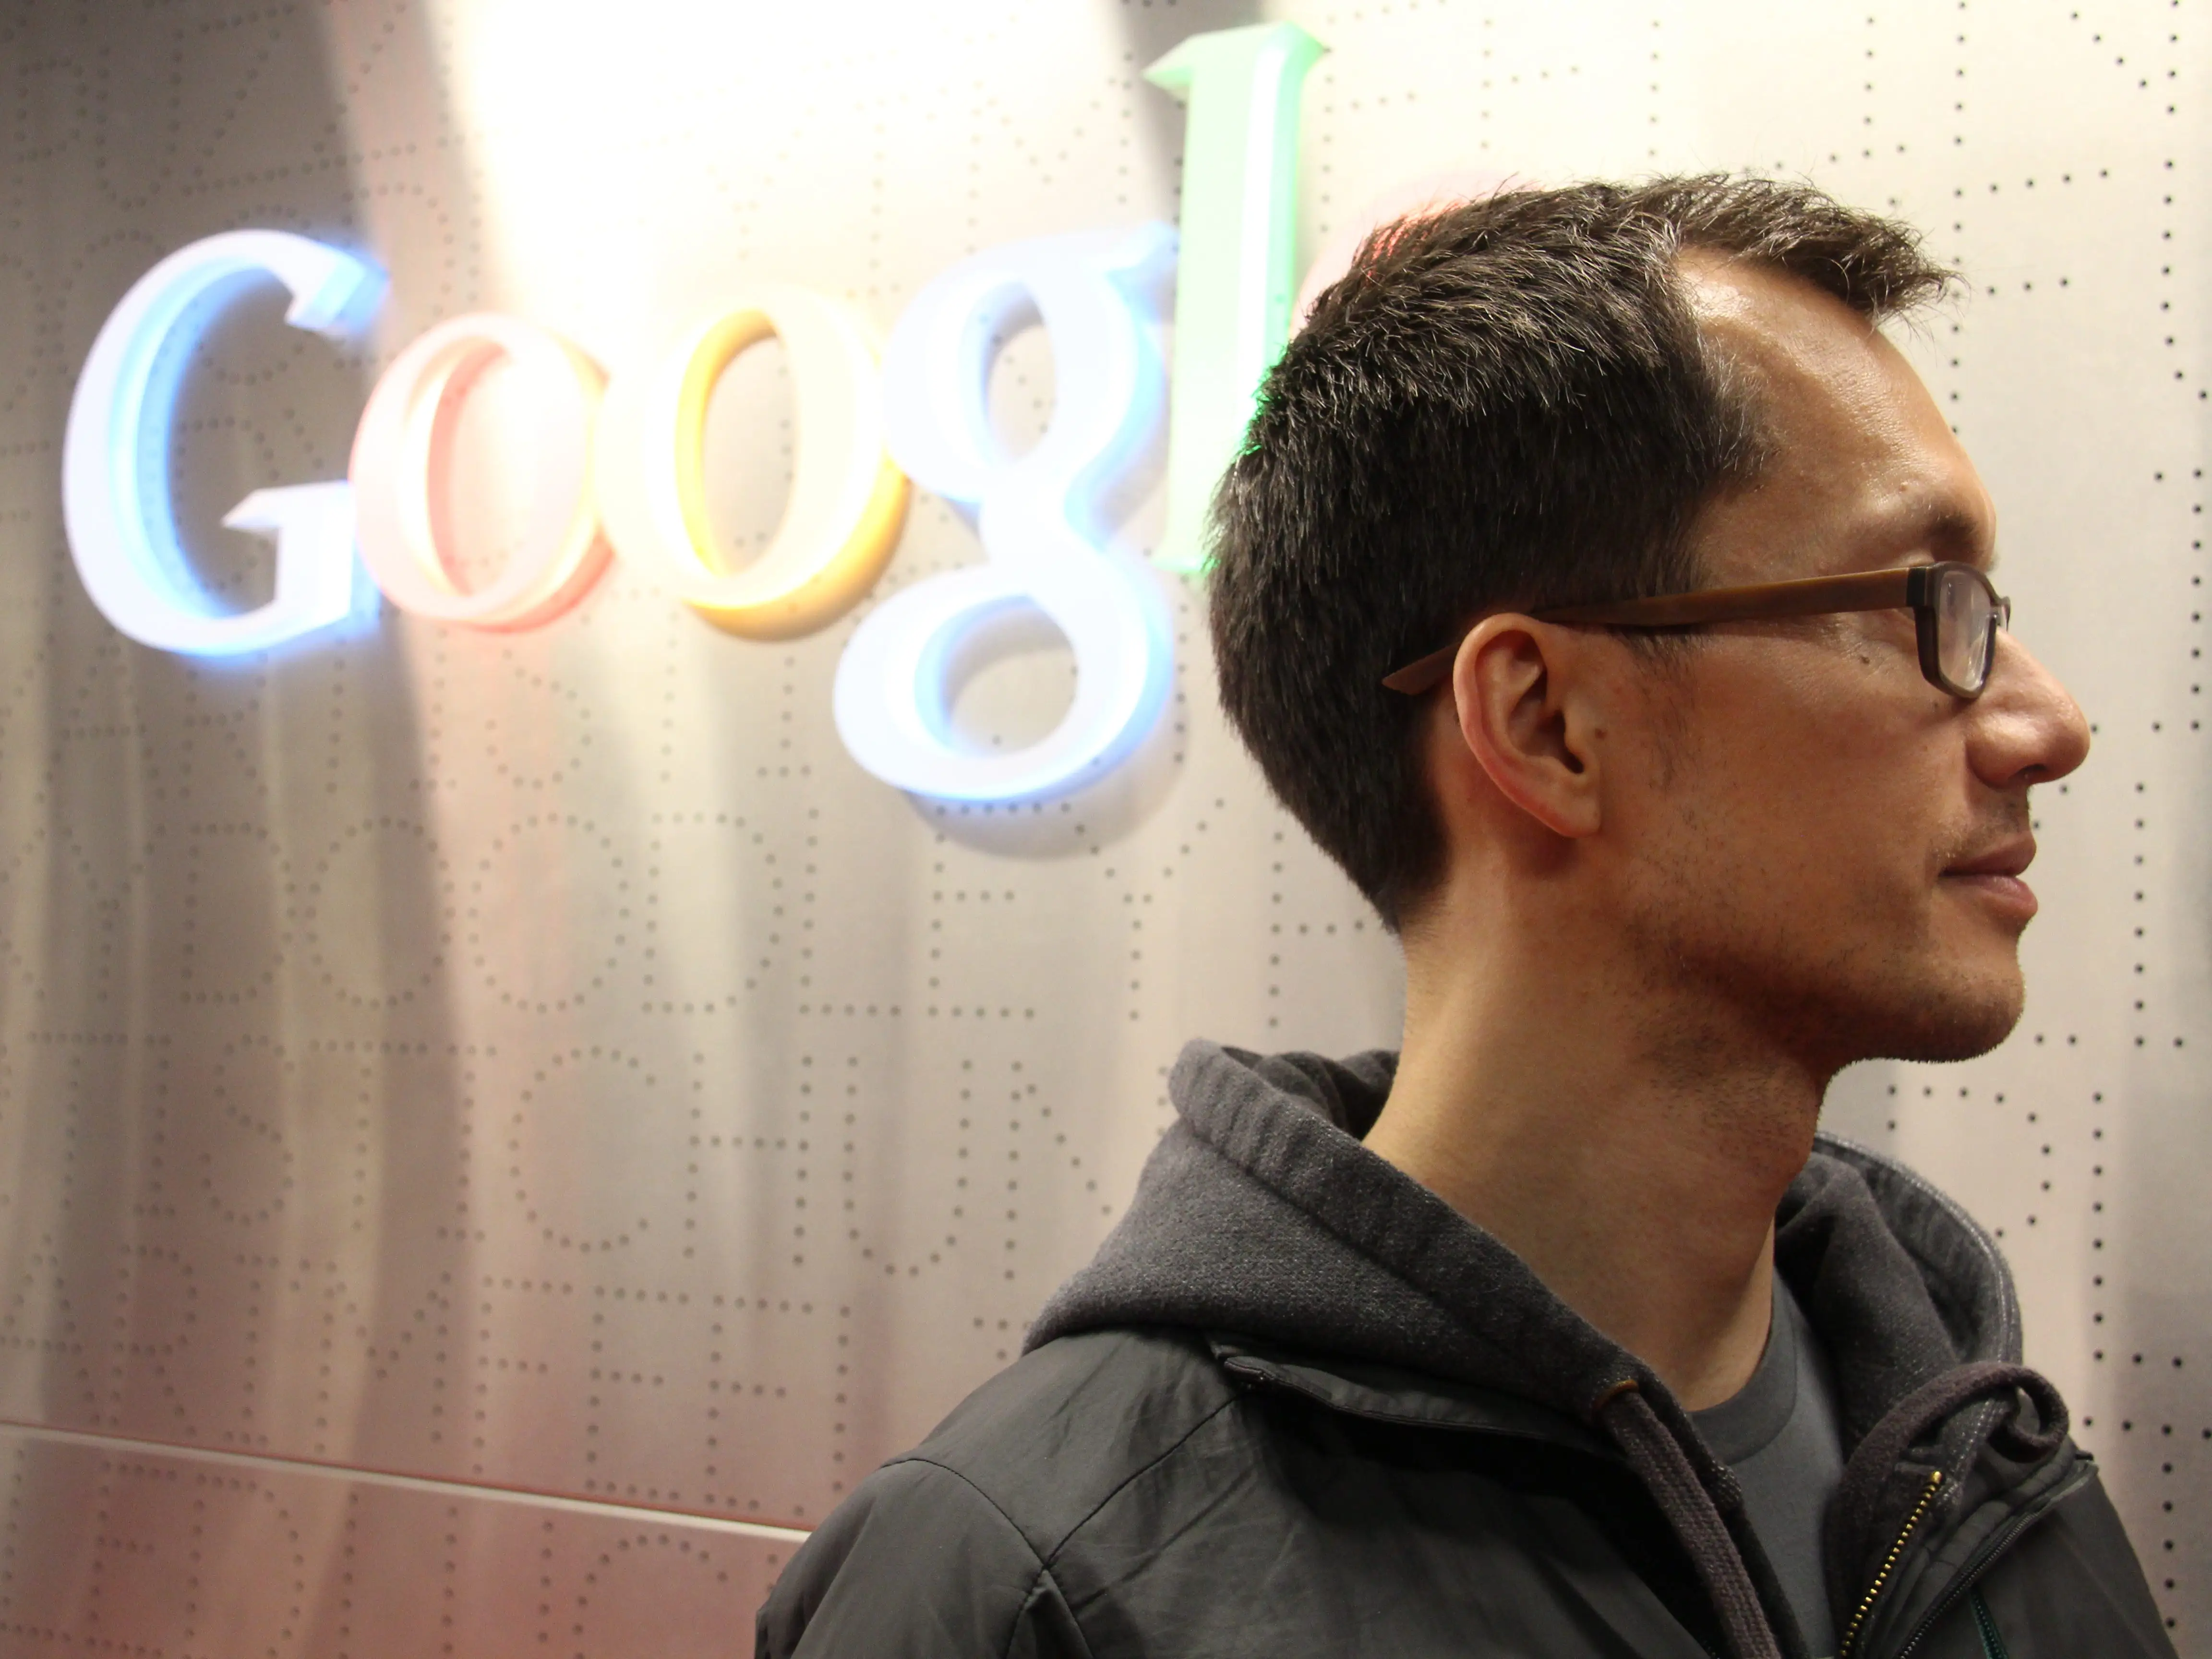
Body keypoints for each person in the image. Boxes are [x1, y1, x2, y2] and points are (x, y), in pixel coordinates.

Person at [757, 177, 2173, 1659]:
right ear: (1547, 720)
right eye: (1926, 601)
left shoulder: (1978, 1466)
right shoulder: (1037, 1589)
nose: (2047, 723)